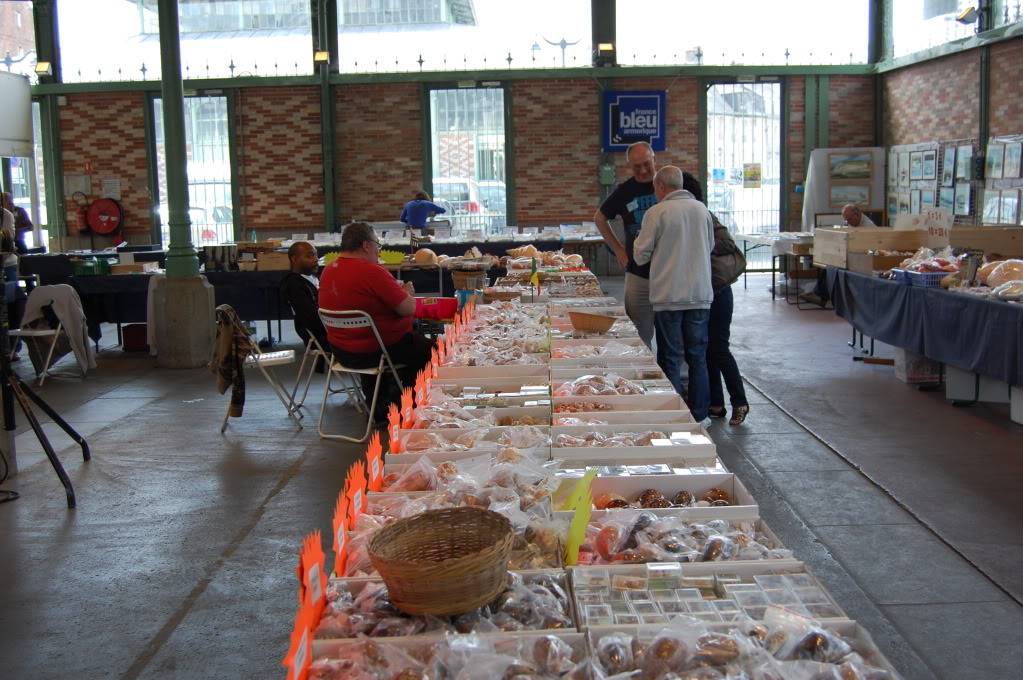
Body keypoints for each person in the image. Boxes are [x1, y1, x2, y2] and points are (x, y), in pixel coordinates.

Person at [318, 221, 431, 422]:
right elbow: (409, 308)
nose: (378, 251)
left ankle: (381, 403)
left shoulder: (328, 271)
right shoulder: (372, 272)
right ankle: (411, 406)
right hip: (377, 351)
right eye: (377, 245)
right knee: (434, 351)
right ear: (366, 245)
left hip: (342, 352)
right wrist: (406, 293)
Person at [633, 166, 715, 424]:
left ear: (659, 187)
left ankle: (674, 415)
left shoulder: (656, 212)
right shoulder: (702, 211)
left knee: (670, 356)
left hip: (668, 294)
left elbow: (640, 254)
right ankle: (700, 416)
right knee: (697, 356)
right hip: (700, 294)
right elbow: (710, 245)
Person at [682, 172, 750, 426]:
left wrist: (701, 245)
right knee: (704, 349)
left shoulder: (703, 216)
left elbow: (727, 245)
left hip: (718, 293)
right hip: (705, 291)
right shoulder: (696, 214)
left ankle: (740, 402)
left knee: (718, 349)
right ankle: (716, 403)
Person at [594, 141, 658, 348]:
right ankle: (646, 377)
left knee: (672, 335)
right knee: (639, 333)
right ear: (629, 166)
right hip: (638, 272)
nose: (643, 170)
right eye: (636, 166)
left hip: (670, 272)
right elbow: (600, 218)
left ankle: (674, 377)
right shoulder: (625, 191)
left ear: (654, 159)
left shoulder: (667, 184)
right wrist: (619, 250)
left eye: (647, 163)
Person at [803, 204, 877, 306]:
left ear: (857, 215)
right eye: (846, 220)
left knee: (833, 265)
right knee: (828, 262)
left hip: (861, 258)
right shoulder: (853, 222)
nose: (848, 222)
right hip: (849, 254)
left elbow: (871, 248)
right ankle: (820, 293)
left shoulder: (869, 227)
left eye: (849, 219)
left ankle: (822, 295)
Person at [280, 241, 328, 360]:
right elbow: (311, 318)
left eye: (316, 255)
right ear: (294, 259)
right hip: (320, 335)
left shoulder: (312, 277)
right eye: (309, 256)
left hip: (329, 328)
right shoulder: (294, 285)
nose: (316, 259)